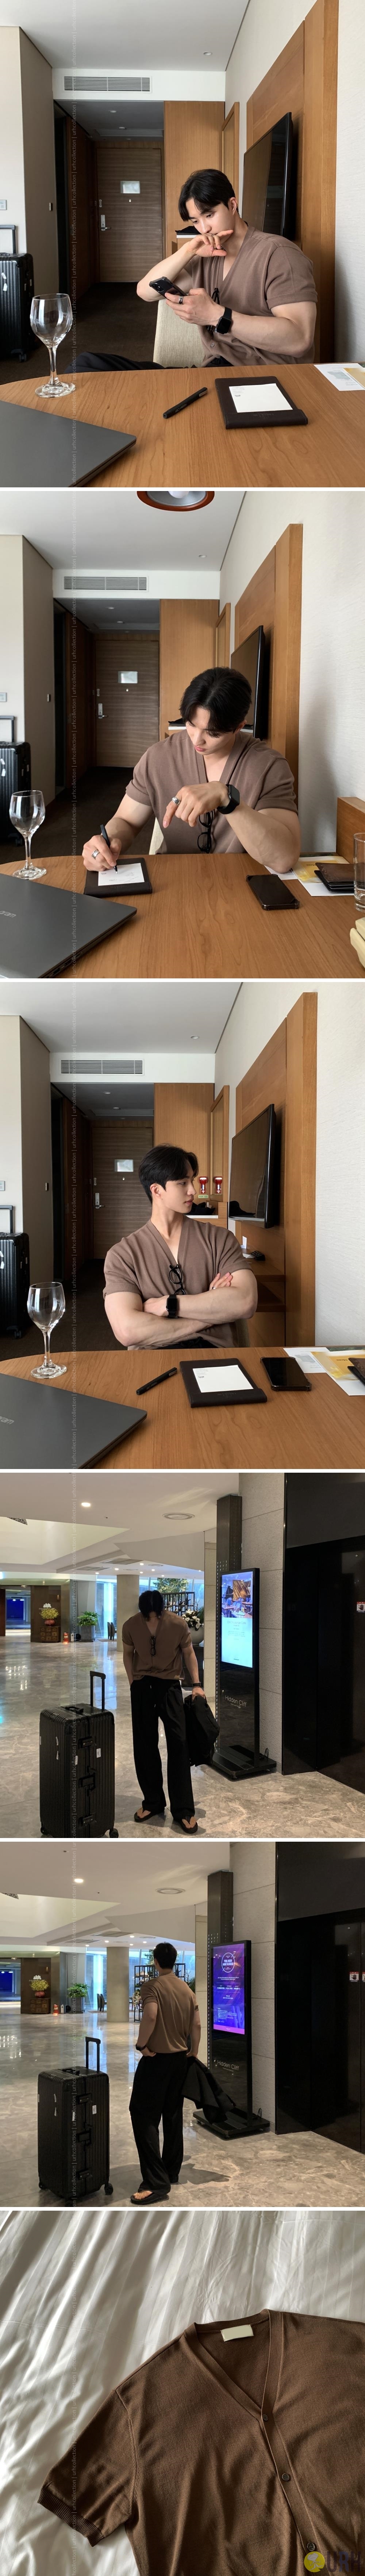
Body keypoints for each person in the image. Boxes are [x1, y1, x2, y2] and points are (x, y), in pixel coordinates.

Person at [82, 665, 300, 877]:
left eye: (213, 733)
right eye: (191, 724)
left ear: (239, 727)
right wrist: (108, 843)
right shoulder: (159, 757)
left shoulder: (269, 766)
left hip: (240, 883)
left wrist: (227, 799)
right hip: (174, 879)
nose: (197, 740)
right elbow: (127, 821)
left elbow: (283, 859)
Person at [137, 164, 318, 367]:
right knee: (106, 365)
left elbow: (300, 339)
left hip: (262, 374)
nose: (204, 228)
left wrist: (216, 316)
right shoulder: (207, 256)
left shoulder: (279, 254)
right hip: (215, 368)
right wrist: (188, 251)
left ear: (232, 205)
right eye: (195, 221)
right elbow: (146, 292)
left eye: (210, 215)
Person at [104, 1144, 258, 1351]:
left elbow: (245, 1302)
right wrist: (210, 1314)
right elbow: (128, 1331)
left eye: (192, 1180)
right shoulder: (123, 1255)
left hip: (216, 1357)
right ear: (157, 1190)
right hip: (153, 1359)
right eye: (183, 1183)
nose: (193, 1190)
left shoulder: (220, 1239)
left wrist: (167, 1304)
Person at [122, 1586, 204, 1831]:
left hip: (170, 1686)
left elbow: (189, 1653)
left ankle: (184, 1809)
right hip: (142, 1686)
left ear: (162, 1610)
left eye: (156, 1615)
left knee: (179, 1743)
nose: (153, 1620)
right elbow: (128, 1654)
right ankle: (153, 1802)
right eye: (148, 1616)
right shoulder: (131, 1625)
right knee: (144, 1744)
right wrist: (133, 1683)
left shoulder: (178, 1624)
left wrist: (197, 1685)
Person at [129, 1938, 201, 2203]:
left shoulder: (152, 1986)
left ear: (156, 1962)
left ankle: (156, 2183)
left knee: (143, 2114)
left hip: (157, 2059)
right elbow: (196, 2024)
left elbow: (150, 2016)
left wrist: (142, 2044)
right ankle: (171, 2171)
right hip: (180, 2060)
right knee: (172, 2115)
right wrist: (194, 2050)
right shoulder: (187, 1989)